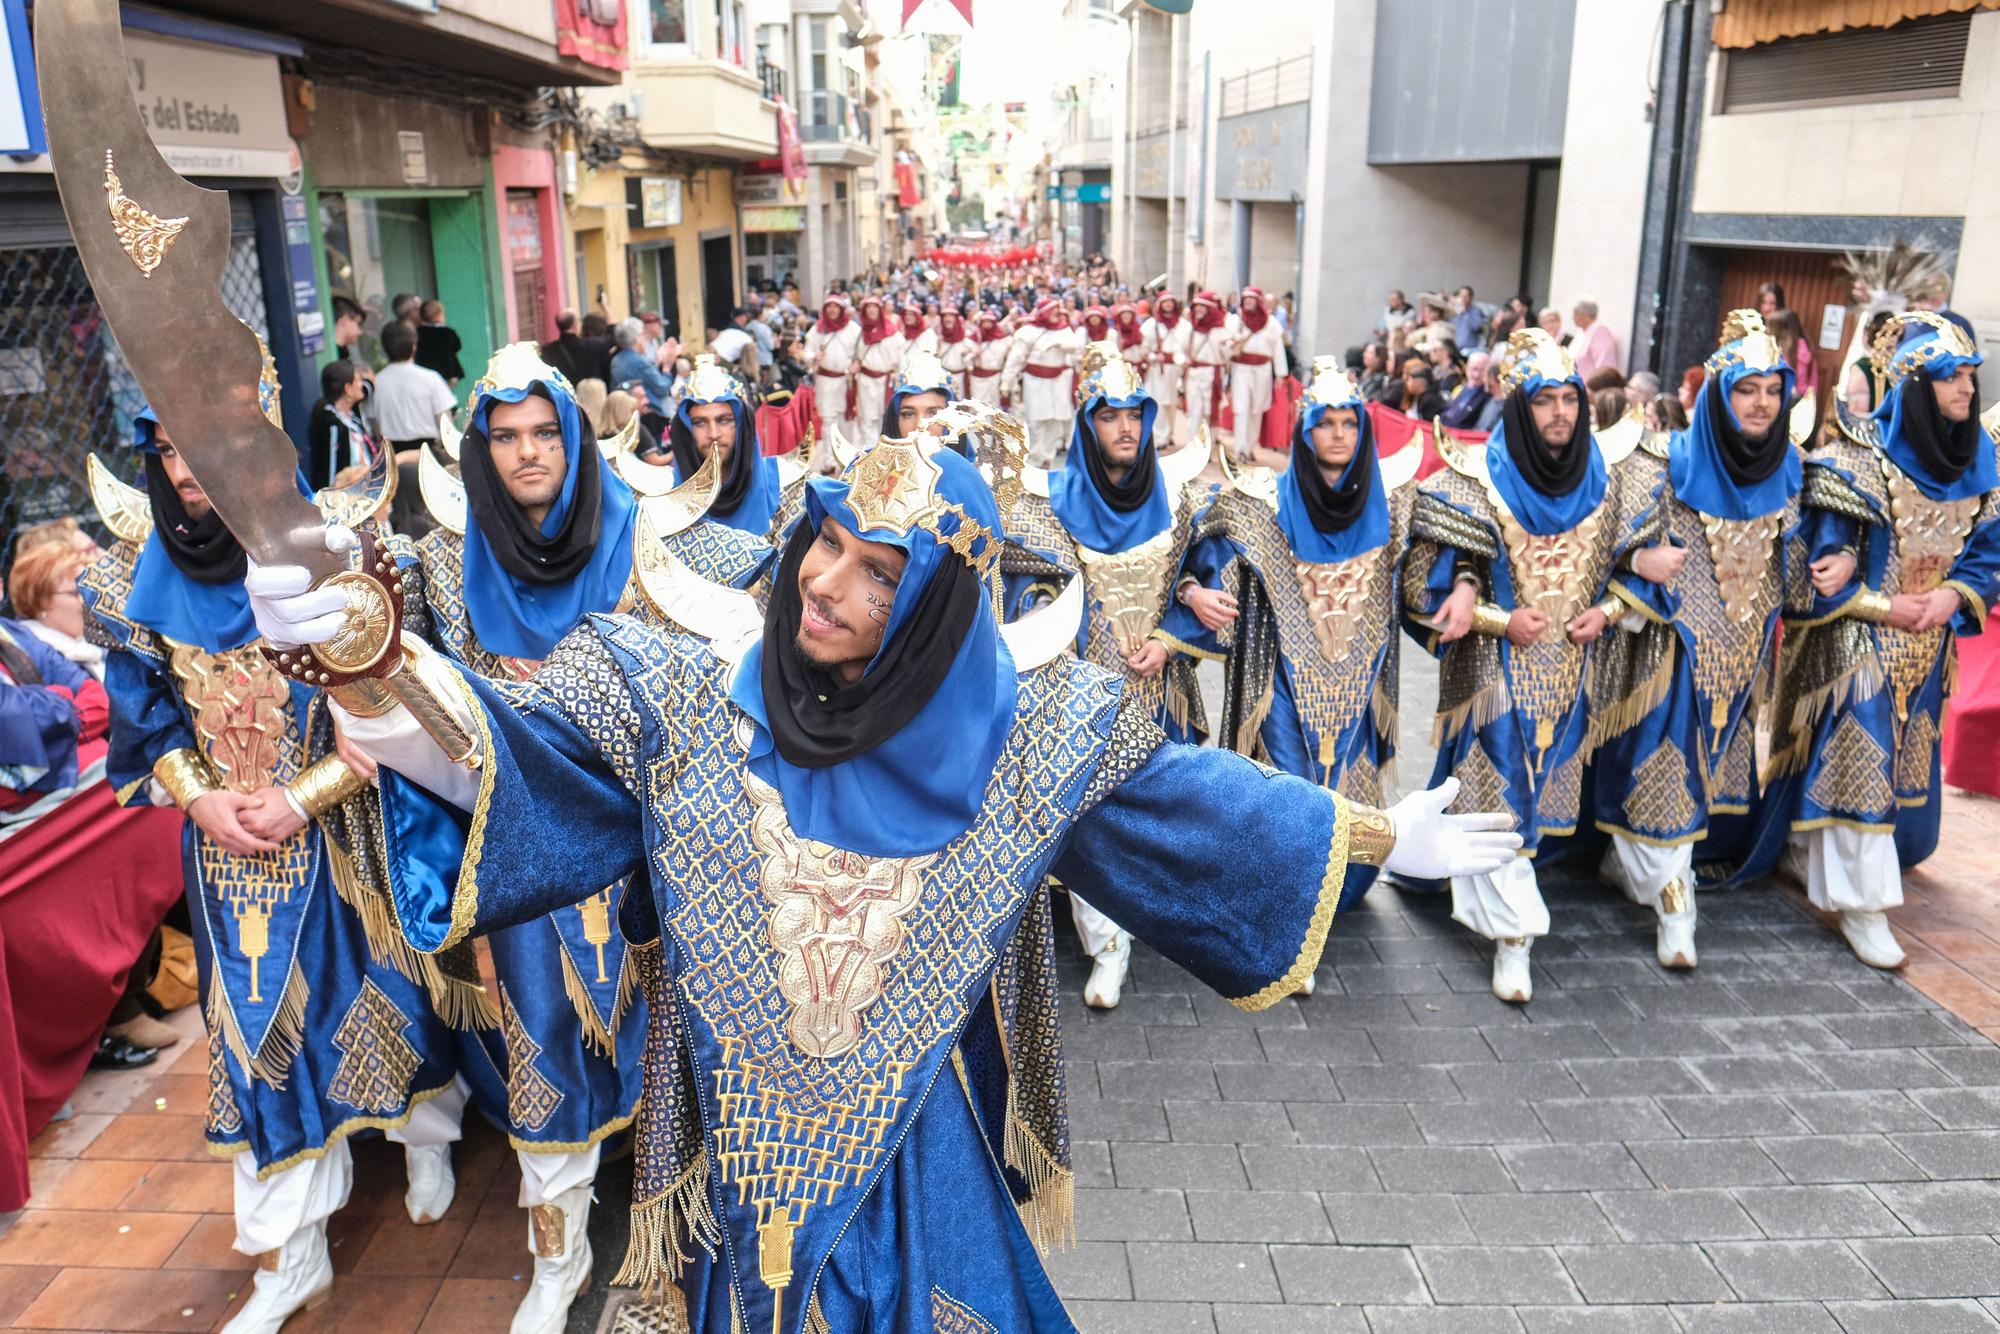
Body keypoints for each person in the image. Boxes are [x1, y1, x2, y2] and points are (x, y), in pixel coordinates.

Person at [247, 419, 1518, 1334]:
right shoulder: (679, 697)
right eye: (827, 542)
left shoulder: (1030, 735)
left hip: (912, 1151)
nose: (826, 583)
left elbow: (1188, 804)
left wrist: (1374, 835)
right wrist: (373, 667)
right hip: (737, 1163)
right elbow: (513, 757)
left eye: (879, 571)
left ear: (935, 608)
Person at [82, 407, 482, 1333]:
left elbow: (393, 706)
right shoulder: (124, 578)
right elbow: (145, 725)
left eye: (206, 443)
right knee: (253, 1047)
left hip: (342, 840)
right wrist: (201, 800)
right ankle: (289, 1256)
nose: (188, 469)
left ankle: (425, 1136)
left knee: (384, 1000)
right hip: (226, 862)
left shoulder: (337, 552)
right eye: (171, 450)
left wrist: (308, 795)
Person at [400, 346, 648, 1333]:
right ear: (478, 449)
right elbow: (407, 713)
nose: (527, 452)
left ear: (576, 436)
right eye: (503, 437)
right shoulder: (443, 570)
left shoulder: (647, 545)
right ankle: (558, 1255)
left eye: (545, 431)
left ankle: (681, 1231)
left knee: (675, 1043)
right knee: (539, 1046)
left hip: (642, 860)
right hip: (524, 869)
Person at [1404, 328, 1654, 1002]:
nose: (1560, 415)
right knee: (1499, 790)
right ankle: (1513, 934)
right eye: (1544, 401)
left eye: (1568, 400)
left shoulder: (1610, 480)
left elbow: (1639, 560)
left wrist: (1610, 607)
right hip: (1493, 675)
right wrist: (1487, 613)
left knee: (1545, 798)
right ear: (1519, 407)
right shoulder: (1476, 479)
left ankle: (1511, 894)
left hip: (1576, 677)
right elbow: (1434, 570)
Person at [1751, 313, 2000, 968]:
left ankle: (1815, 849)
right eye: (1955, 378)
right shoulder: (1851, 464)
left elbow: (1986, 555)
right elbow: (1819, 565)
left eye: (1972, 376)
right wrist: (1877, 602)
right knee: (1860, 740)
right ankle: (1861, 903)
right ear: (1918, 385)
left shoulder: (1982, 463)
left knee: (1906, 771)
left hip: (1929, 642)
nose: (1968, 388)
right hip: (1854, 637)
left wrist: (1953, 596)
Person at [1592, 312, 1803, 968]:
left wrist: (1835, 565)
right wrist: (1635, 563)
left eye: (1773, 388)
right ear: (1717, 393)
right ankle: (1671, 897)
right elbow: (1602, 539)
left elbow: (1799, 568)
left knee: (1706, 771)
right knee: (1662, 765)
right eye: (1748, 389)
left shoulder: (1794, 470)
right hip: (1668, 648)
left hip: (1741, 659)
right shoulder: (1658, 462)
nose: (1763, 402)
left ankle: (1638, 868)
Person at [1212, 360, 1422, 939]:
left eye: (1349, 423)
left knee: (1350, 797)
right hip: (1283, 678)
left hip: (1360, 682)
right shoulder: (1259, 504)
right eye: (1324, 423)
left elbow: (1435, 568)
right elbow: (1206, 556)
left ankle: (1333, 894)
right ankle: (1291, 906)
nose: (1337, 434)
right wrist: (1192, 593)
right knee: (1288, 784)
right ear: (1305, 433)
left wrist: (1466, 593)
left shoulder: (1398, 505)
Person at [666, 355, 787, 538]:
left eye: (724, 420)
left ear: (742, 424)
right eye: (699, 423)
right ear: (685, 429)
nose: (714, 434)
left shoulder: (783, 486)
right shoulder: (664, 495)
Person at [1001, 299, 1084, 468]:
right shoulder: (1028, 332)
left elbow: (1076, 346)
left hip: (1059, 382)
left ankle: (1048, 458)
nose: (1056, 314)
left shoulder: (1064, 330)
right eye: (1052, 310)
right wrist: (1006, 382)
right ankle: (1034, 459)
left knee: (1055, 420)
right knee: (1035, 421)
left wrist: (1062, 345)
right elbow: (1015, 359)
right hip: (1035, 382)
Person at [8, 543, 100, 681]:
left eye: (87, 591)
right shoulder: (32, 658)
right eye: (75, 593)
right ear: (40, 602)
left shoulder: (88, 648)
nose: (85, 601)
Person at [373, 321, 459, 453]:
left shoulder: (376, 382)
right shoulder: (431, 378)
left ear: (384, 348)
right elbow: (446, 427)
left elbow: (375, 428)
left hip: (391, 456)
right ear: (414, 346)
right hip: (429, 454)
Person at [1225, 288, 1288, 461]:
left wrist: (1280, 374)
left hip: (1263, 370)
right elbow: (1224, 346)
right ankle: (1240, 449)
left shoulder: (1271, 322)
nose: (1248, 303)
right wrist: (1232, 343)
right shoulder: (1236, 321)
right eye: (1246, 299)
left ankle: (1250, 446)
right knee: (1241, 407)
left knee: (1256, 409)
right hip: (1241, 369)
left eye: (1252, 299)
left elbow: (1278, 349)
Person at [805, 295, 863, 472]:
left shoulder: (853, 329)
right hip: (825, 381)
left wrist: (857, 363)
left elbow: (860, 353)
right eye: (829, 307)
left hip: (846, 382)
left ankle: (846, 459)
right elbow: (807, 351)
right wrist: (814, 357)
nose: (832, 310)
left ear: (841, 309)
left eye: (835, 307)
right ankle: (829, 461)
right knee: (828, 420)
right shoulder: (817, 329)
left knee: (845, 421)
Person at [305, 359, 379, 489]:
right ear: (348, 389)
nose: (361, 384)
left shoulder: (351, 419)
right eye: (358, 380)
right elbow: (329, 472)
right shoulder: (332, 425)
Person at [852, 296, 906, 444]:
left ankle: (884, 451)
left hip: (885, 382)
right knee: (867, 418)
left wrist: (900, 381)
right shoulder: (860, 334)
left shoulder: (893, 334)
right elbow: (855, 356)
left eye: (874, 306)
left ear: (879, 309)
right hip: (865, 380)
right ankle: (869, 451)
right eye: (867, 307)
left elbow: (901, 361)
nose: (871, 310)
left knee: (885, 417)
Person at [1142, 294, 1191, 442]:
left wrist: (1184, 361)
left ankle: (1169, 433)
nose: (1168, 305)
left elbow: (1188, 347)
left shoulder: (1184, 325)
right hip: (1158, 369)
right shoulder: (1152, 324)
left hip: (1176, 369)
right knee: (1158, 401)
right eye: (1165, 303)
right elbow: (1144, 349)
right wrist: (1154, 357)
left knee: (1172, 403)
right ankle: (1159, 436)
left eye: (1171, 302)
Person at [1438, 349, 1501, 433]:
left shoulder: (1489, 394)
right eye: (1474, 369)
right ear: (1467, 368)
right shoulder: (1462, 388)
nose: (1476, 375)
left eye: (1482, 370)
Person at [968, 308, 1011, 408]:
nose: (987, 325)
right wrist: (973, 356)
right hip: (977, 377)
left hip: (995, 377)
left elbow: (1009, 358)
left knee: (994, 406)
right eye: (984, 322)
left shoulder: (1003, 339)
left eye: (989, 322)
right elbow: (965, 357)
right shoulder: (975, 338)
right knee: (978, 406)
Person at [415, 300, 464, 386]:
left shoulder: (418, 332)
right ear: (439, 315)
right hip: (447, 372)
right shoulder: (448, 332)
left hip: (424, 370)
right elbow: (457, 347)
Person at [1570, 298, 1621, 379]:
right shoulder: (1581, 332)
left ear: (1586, 314)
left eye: (1576, 313)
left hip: (1591, 388)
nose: (1573, 317)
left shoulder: (1600, 332)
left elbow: (1605, 366)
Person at [540, 309, 593, 386]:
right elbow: (611, 337)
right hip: (586, 393)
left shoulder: (547, 350)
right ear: (575, 325)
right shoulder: (589, 345)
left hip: (564, 394)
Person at [711, 306, 761, 386]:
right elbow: (753, 360)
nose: (747, 319)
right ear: (741, 317)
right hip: (720, 359)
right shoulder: (746, 337)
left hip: (709, 354)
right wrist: (757, 380)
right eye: (746, 316)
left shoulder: (726, 331)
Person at [1451, 286, 1487, 352]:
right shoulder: (1454, 310)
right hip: (1454, 348)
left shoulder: (1476, 311)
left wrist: (1465, 311)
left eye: (1465, 296)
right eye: (1460, 295)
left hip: (1468, 350)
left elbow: (1477, 327)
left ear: (1471, 298)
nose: (1462, 298)